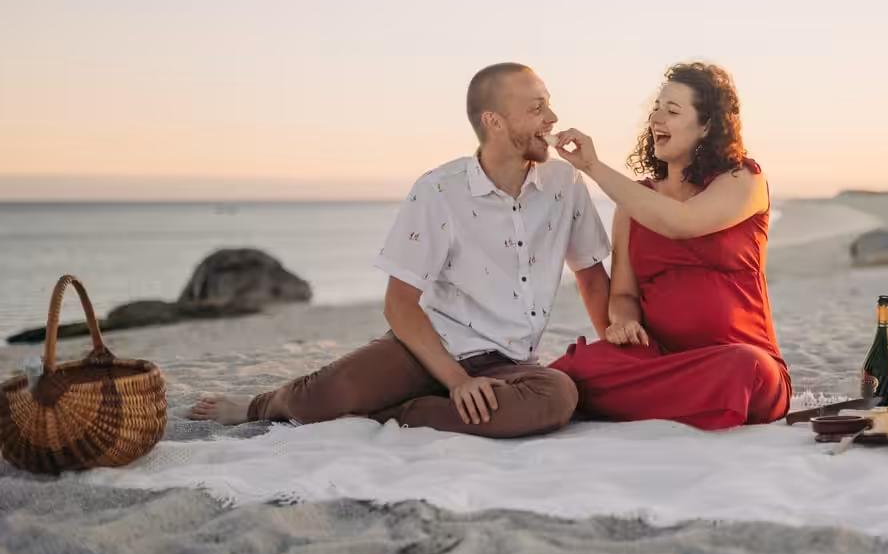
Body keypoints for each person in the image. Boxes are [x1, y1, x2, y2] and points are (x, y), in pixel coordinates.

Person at [188, 62, 613, 438]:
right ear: (494, 121)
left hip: (510, 363)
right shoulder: (438, 190)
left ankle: (392, 414)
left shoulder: (566, 184)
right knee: (318, 401)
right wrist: (457, 382)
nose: (553, 119)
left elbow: (591, 276)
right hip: (430, 348)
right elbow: (400, 304)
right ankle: (266, 403)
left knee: (556, 399)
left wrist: (619, 349)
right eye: (537, 108)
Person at [548, 62, 792, 430]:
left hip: (738, 362)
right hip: (659, 359)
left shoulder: (744, 180)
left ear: (708, 125)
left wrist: (592, 166)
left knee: (743, 368)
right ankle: (673, 401)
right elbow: (624, 295)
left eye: (672, 110)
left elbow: (682, 223)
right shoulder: (635, 202)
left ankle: (620, 401)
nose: (656, 119)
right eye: (656, 109)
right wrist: (624, 322)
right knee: (576, 367)